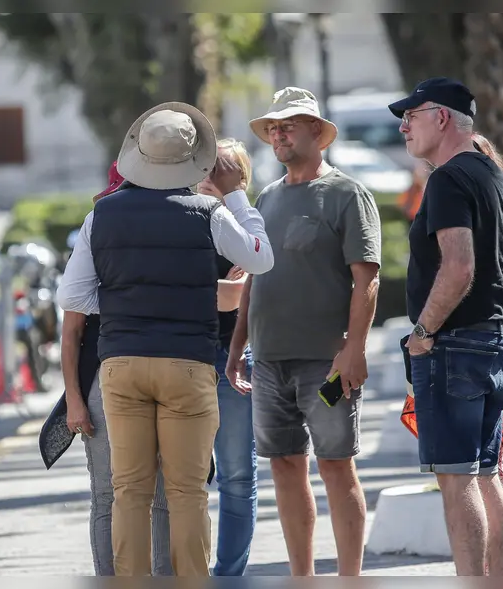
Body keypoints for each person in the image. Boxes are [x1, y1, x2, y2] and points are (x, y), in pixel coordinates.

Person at [56, 102, 275, 576]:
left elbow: (72, 294)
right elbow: (260, 259)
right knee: (187, 492)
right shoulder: (208, 212)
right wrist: (236, 196)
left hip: (121, 364)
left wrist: (127, 299)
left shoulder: (103, 215)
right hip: (188, 364)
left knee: (128, 490)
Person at [226, 86, 382, 577]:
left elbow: (368, 279)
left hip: (326, 366)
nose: (278, 133)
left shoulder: (347, 195)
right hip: (269, 362)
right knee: (284, 466)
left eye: (288, 125)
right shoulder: (267, 198)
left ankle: (350, 579)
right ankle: (302, 578)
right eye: (273, 127)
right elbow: (252, 278)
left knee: (337, 466)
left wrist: (353, 352)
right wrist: (237, 348)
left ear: (318, 131)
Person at [388, 77, 503, 576]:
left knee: (457, 477)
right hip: (497, 340)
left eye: (412, 114)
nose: (403, 125)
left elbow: (460, 266)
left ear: (442, 117)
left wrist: (423, 334)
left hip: (454, 345)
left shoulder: (448, 179)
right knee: (489, 474)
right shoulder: (498, 178)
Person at [62, 161, 174, 576]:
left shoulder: (171, 237)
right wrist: (74, 400)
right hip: (102, 381)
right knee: (109, 494)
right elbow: (71, 331)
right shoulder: (96, 239)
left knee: (162, 494)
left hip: (161, 377)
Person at [195, 138, 258, 576]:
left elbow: (250, 292)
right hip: (185, 359)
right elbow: (225, 297)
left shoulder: (249, 227)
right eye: (209, 167)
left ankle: (228, 576)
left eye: (226, 170)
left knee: (236, 477)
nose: (214, 176)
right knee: (184, 481)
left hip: (233, 357)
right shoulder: (187, 218)